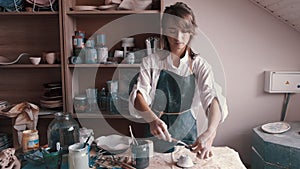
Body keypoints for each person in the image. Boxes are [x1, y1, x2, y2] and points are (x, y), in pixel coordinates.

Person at [129, 2, 228, 159]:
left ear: (191, 31)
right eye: (172, 31)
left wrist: (210, 133)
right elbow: (139, 95)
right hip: (155, 134)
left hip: (188, 136)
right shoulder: (151, 62)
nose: (178, 37)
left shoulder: (199, 65)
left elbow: (212, 99)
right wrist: (152, 120)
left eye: (184, 31)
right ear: (164, 32)